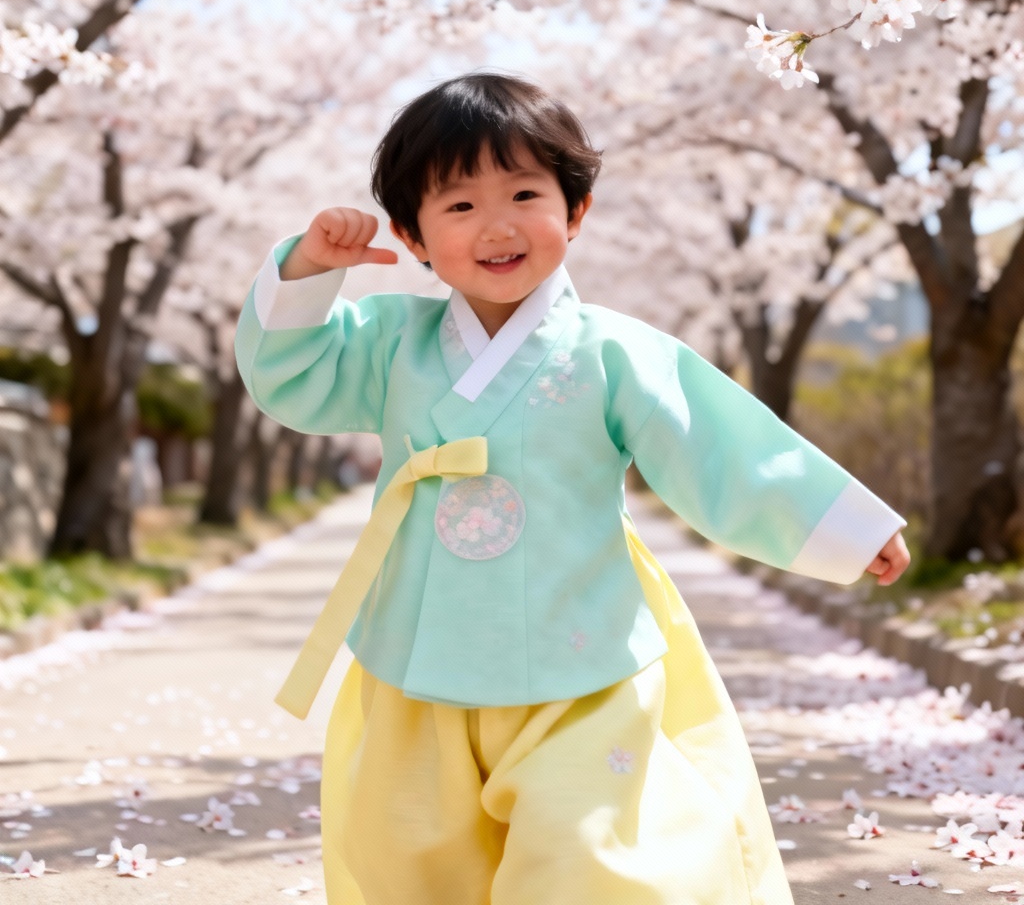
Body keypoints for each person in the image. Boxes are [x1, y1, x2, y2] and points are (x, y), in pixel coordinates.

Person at [235, 72, 910, 905]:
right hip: (418, 653)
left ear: (575, 212)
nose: (498, 226)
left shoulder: (613, 351)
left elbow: (715, 445)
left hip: (580, 656)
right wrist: (307, 269)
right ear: (411, 235)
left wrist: (838, 526)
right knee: (416, 864)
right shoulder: (385, 342)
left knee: (587, 860)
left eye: (525, 192)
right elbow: (289, 377)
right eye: (459, 206)